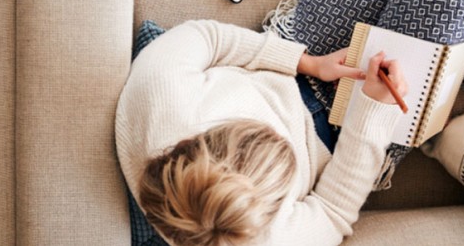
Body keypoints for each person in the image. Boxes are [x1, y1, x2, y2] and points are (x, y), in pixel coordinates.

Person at [115, 20, 408, 246]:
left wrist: (308, 63)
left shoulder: (160, 94)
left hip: (297, 65)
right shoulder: (266, 240)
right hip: (342, 137)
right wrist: (372, 110)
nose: (284, 136)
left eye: (264, 131)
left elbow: (207, 37)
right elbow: (332, 211)